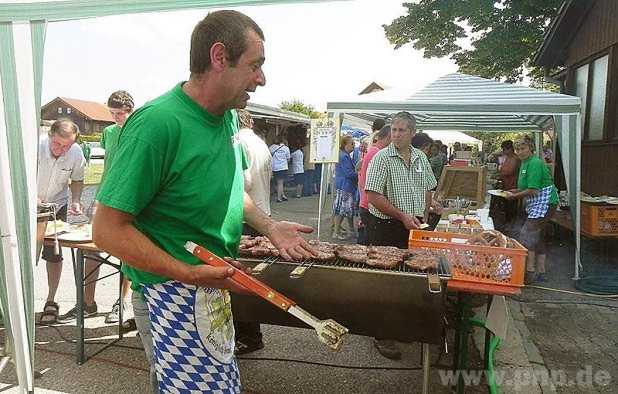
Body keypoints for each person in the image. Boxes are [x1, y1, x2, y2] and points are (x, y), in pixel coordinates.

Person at [92, 11, 315, 393]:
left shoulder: (227, 118)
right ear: (218, 57)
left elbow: (230, 188)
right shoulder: (156, 124)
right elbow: (107, 230)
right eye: (255, 65)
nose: (262, 78)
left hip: (208, 286)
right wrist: (186, 272)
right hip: (168, 292)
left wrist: (270, 225)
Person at [365, 112, 439, 360]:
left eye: (401, 130)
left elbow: (428, 187)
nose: (396, 134)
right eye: (394, 130)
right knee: (386, 282)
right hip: (386, 226)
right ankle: (382, 335)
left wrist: (427, 213)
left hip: (414, 225)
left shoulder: (420, 157)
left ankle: (400, 327)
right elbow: (373, 195)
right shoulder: (382, 158)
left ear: (412, 133)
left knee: (408, 279)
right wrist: (401, 215)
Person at [68, 91, 136, 326]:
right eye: (113, 113)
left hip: (129, 199)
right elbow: (109, 165)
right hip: (105, 195)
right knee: (90, 247)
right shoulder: (108, 133)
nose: (116, 117)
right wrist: (97, 198)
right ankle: (88, 302)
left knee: (127, 252)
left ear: (130, 110)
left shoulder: (138, 129)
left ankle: (122, 301)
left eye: (120, 113)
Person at [37, 119, 86, 324]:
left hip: (57, 205)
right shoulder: (35, 147)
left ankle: (51, 300)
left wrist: (75, 200)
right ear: (50, 135)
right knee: (21, 255)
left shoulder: (75, 152)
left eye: (66, 146)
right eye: (57, 144)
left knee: (54, 255)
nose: (61, 149)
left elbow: (77, 180)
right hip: (27, 204)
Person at [234, 109, 271, 355]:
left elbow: (243, 183)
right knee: (251, 276)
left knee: (240, 278)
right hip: (263, 210)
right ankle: (251, 334)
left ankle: (248, 336)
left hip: (246, 216)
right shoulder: (261, 143)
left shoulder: (238, 142)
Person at [506, 135, 558, 285]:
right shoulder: (524, 163)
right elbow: (524, 187)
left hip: (546, 202)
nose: (520, 152)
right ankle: (540, 272)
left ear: (531, 148)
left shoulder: (535, 163)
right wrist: (511, 191)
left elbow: (534, 190)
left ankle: (528, 272)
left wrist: (514, 196)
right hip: (535, 204)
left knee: (526, 234)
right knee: (537, 235)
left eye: (523, 148)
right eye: (517, 149)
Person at [357, 124, 390, 245]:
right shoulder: (376, 153)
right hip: (369, 204)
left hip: (367, 203)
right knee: (370, 242)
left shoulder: (373, 151)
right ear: (388, 138)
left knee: (368, 240)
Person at [332, 135, 358, 240]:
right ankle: (336, 231)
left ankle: (350, 230)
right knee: (342, 210)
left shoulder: (343, 155)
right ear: (345, 144)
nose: (353, 145)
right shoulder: (344, 156)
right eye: (351, 143)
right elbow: (349, 173)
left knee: (347, 210)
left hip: (343, 185)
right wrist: (360, 173)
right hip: (345, 186)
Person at [269, 135, 291, 202]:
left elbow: (268, 157)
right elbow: (288, 159)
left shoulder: (271, 147)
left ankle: (283, 195)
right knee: (280, 183)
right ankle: (279, 198)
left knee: (278, 182)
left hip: (275, 167)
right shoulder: (286, 148)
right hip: (283, 167)